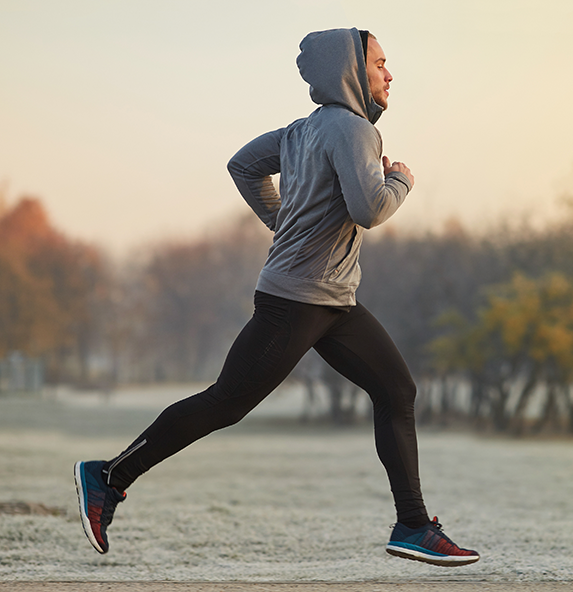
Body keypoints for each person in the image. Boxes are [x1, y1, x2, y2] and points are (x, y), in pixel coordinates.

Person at [73, 27, 479, 567]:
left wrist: (281, 221)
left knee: (396, 391)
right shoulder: (355, 131)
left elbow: (242, 164)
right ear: (352, 70)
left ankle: (412, 525)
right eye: (380, 62)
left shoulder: (303, 130)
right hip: (298, 301)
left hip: (334, 302)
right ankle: (107, 477)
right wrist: (401, 180)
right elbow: (370, 209)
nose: (389, 74)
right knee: (226, 402)